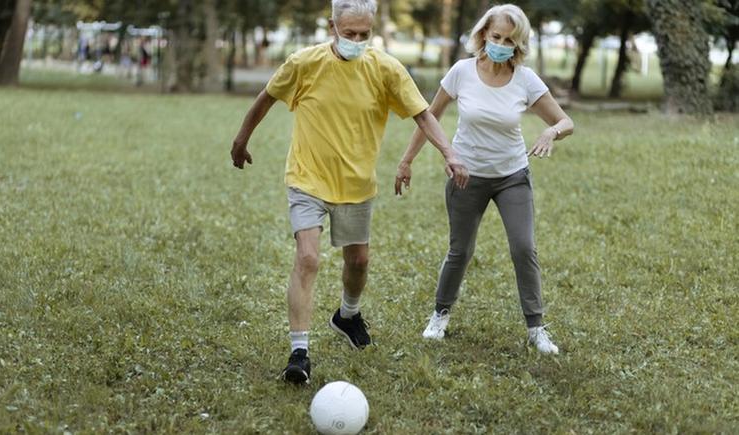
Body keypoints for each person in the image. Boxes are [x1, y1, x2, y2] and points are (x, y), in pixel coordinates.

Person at [230, 0, 469, 384]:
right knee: (307, 258)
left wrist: (449, 151)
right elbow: (266, 98)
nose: (357, 40)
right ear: (331, 26)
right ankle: (299, 352)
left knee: (358, 263)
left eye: (364, 34)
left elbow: (423, 113)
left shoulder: (386, 68)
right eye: (349, 33)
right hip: (307, 178)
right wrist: (241, 140)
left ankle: (347, 314)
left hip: (357, 184)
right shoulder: (304, 63)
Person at [394, 4, 574, 354]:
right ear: (483, 35)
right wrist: (406, 160)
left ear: (518, 44)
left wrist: (551, 132)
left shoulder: (525, 78)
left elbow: (566, 121)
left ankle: (536, 327)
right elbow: (430, 116)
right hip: (466, 176)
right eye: (496, 37)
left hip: (512, 176)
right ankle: (440, 316)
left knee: (524, 248)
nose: (501, 44)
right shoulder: (462, 72)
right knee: (460, 250)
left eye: (510, 40)